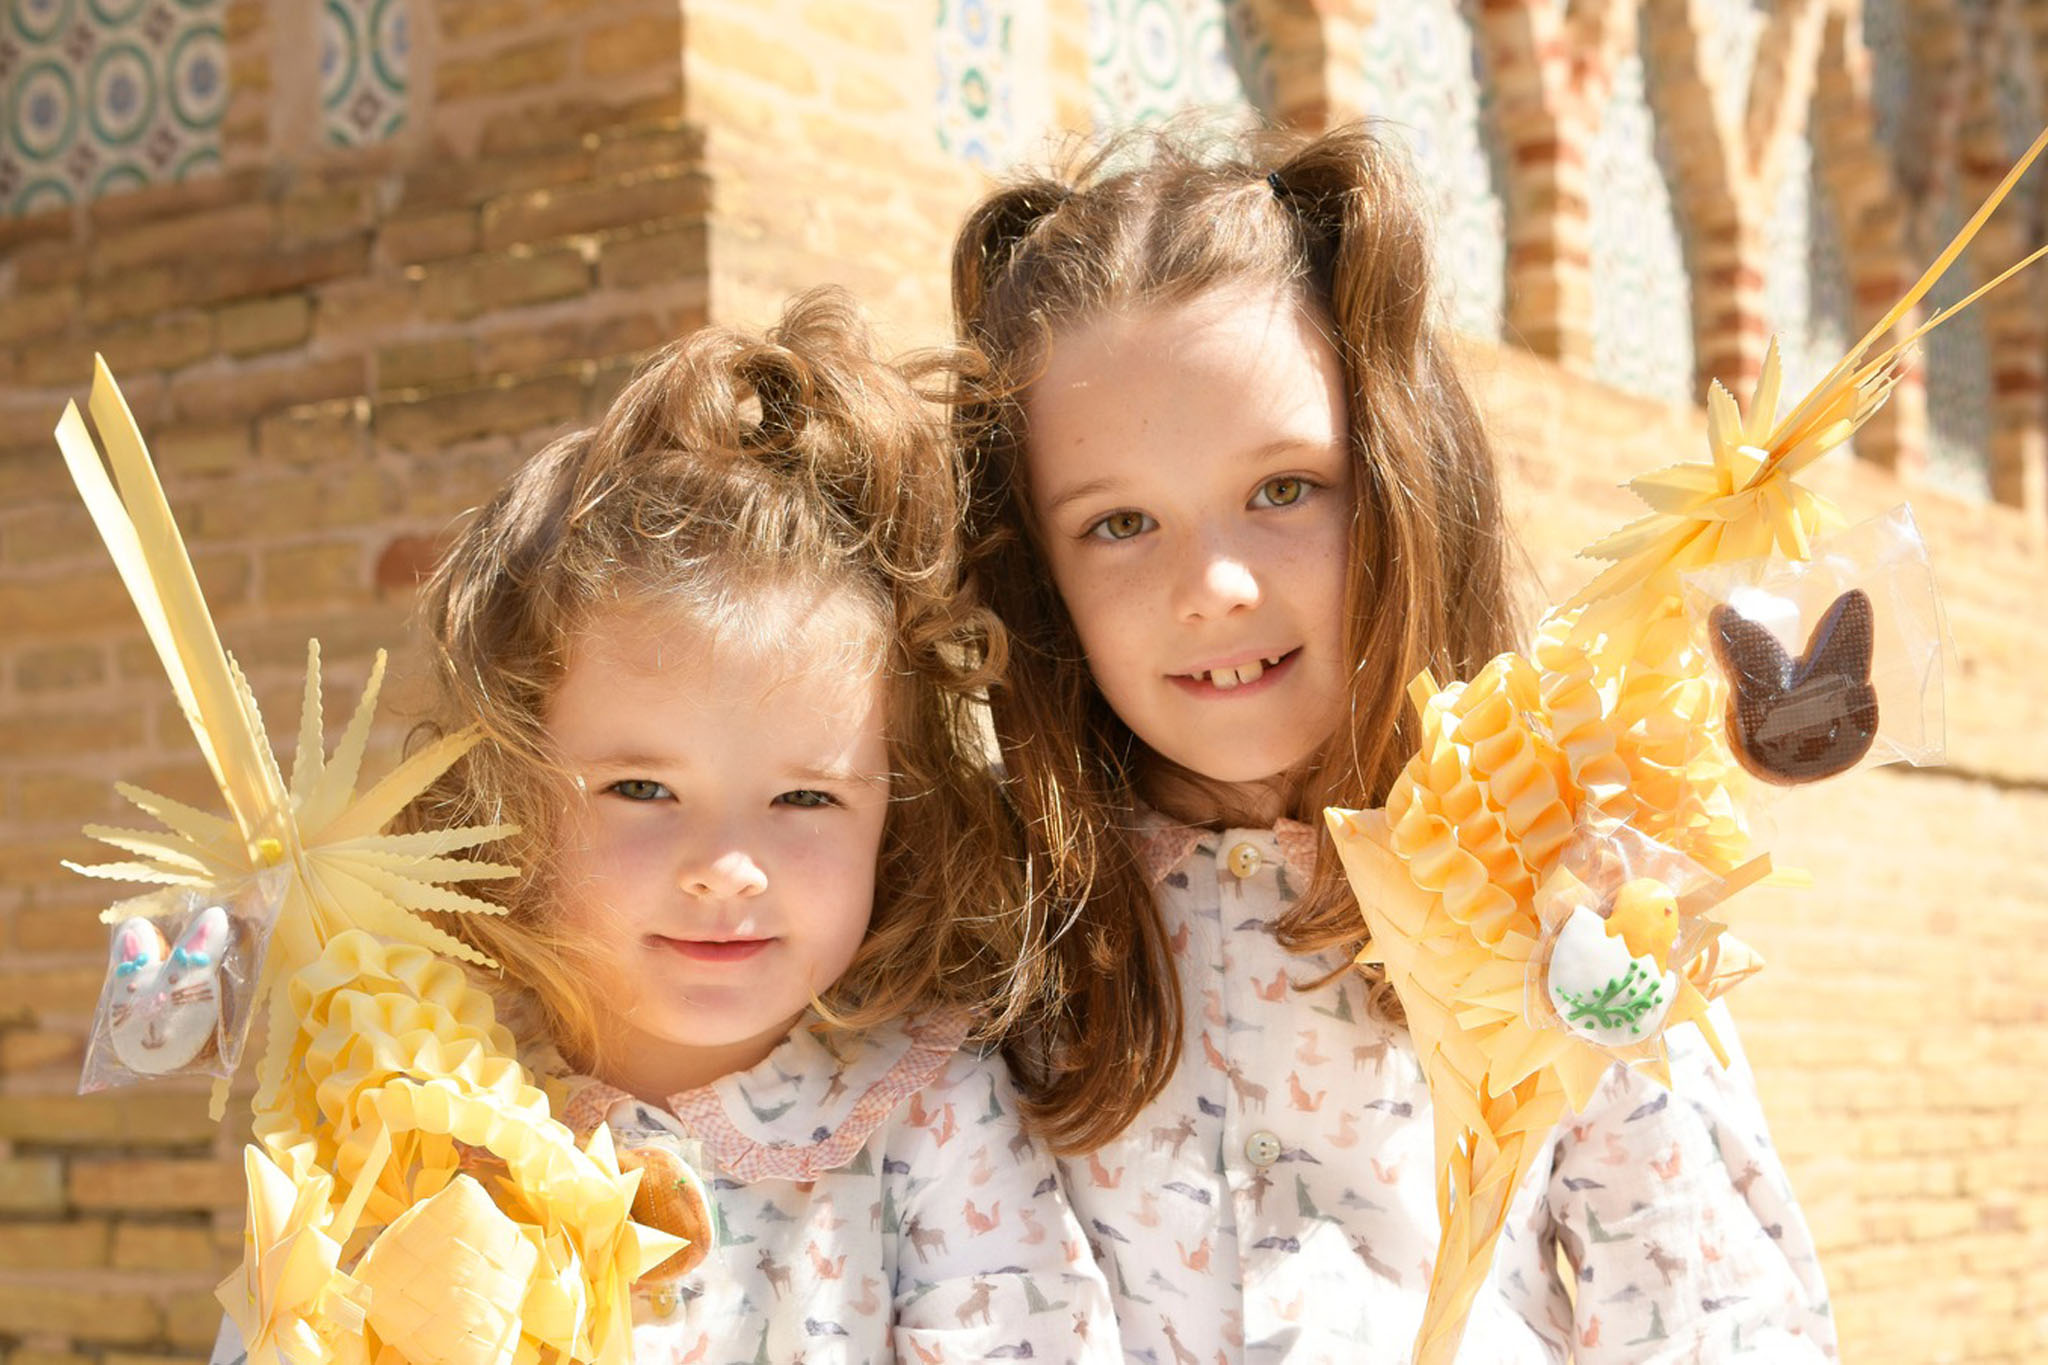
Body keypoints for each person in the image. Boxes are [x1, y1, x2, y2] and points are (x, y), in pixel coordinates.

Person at [950, 126, 1837, 1362]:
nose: (1211, 586)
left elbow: (1713, 1317)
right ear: (1037, 572)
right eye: (1118, 523)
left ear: (1401, 479)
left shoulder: (1560, 880)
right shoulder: (985, 919)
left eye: (1281, 490)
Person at [217, 289, 1116, 1363]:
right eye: (642, 789)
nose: (726, 868)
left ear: (897, 807)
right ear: (514, 790)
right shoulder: (417, 1109)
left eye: (806, 799)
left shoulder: (931, 1124)